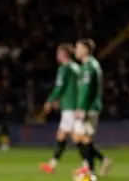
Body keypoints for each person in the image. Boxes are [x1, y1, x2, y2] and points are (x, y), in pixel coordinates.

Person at [72, 39, 112, 180]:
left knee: (86, 138)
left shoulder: (89, 66)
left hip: (90, 107)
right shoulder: (88, 65)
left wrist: (82, 108)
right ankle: (99, 161)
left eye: (77, 47)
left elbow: (86, 90)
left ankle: (90, 172)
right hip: (88, 106)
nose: (75, 50)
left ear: (85, 49)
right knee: (78, 137)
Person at [39, 43, 82, 174]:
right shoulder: (76, 67)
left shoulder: (64, 68)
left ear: (63, 54)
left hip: (70, 107)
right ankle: (52, 165)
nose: (57, 56)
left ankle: (95, 161)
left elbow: (59, 87)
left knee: (77, 138)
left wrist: (50, 101)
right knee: (62, 135)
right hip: (73, 105)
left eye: (58, 53)